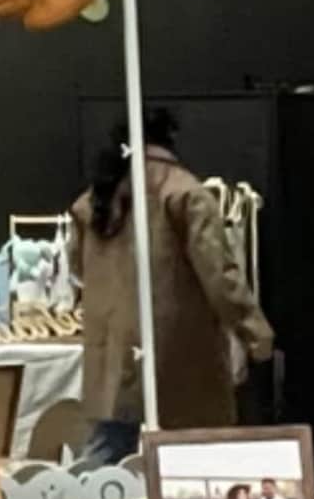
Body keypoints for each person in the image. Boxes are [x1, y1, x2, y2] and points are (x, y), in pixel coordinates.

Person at [72, 109, 272, 464]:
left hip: (112, 345)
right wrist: (255, 333)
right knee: (189, 456)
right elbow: (220, 276)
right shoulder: (187, 194)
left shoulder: (94, 200)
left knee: (107, 447)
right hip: (176, 347)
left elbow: (77, 266)